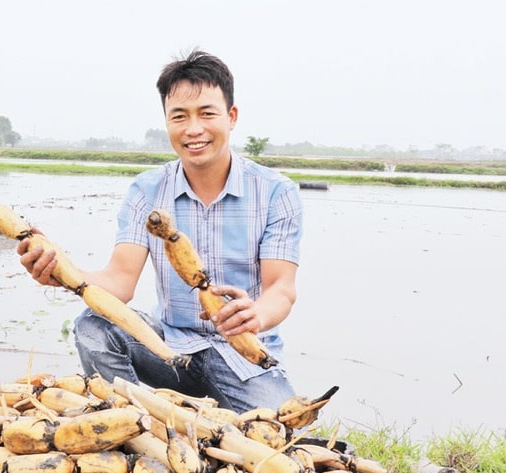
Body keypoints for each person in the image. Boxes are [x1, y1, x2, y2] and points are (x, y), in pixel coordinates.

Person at [17, 50, 303, 413]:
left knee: (282, 426)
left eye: (207, 114)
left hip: (243, 356)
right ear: (167, 122)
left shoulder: (276, 192)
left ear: (231, 117)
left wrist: (256, 314)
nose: (193, 129)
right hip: (170, 348)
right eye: (179, 117)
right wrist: (62, 272)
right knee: (94, 327)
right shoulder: (147, 191)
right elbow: (120, 281)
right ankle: (135, 420)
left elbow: (282, 289)